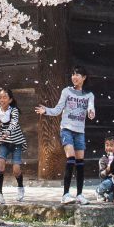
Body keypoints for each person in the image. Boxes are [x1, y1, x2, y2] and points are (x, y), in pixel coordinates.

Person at [35, 67, 96, 204]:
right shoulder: (66, 91)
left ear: (84, 77)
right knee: (71, 158)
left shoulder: (89, 95)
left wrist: (91, 113)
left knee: (80, 162)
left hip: (80, 131)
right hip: (66, 129)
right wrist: (45, 110)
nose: (74, 77)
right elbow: (57, 110)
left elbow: (91, 108)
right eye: (73, 74)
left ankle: (80, 194)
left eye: (77, 75)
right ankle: (65, 194)